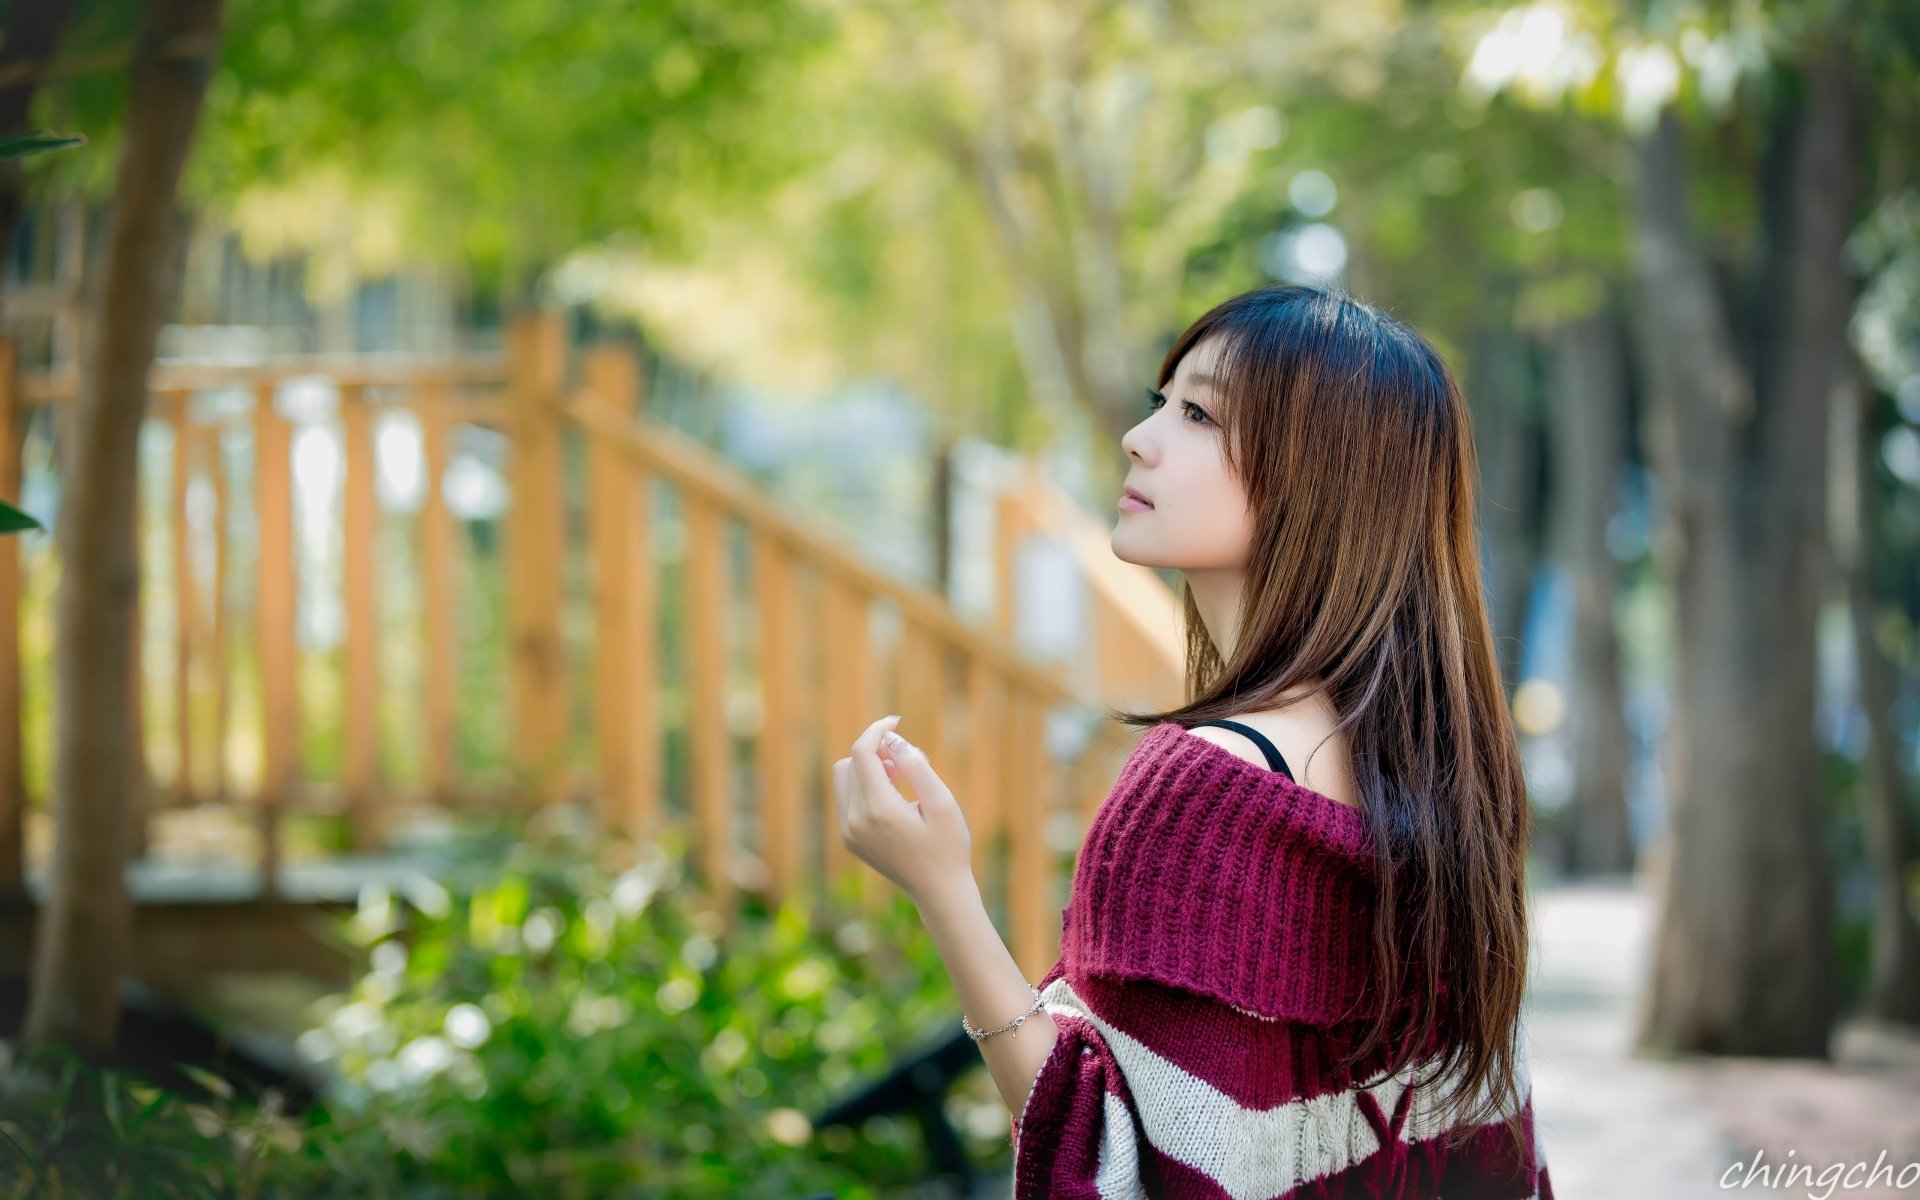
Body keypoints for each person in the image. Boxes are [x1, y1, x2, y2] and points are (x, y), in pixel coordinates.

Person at [834, 283, 1552, 1197]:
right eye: (1160, 401)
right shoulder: (1445, 778)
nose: (1141, 437)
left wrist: (940, 884)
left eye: (1201, 413)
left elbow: (1105, 1160)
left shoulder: (1203, 791)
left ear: (1320, 475)